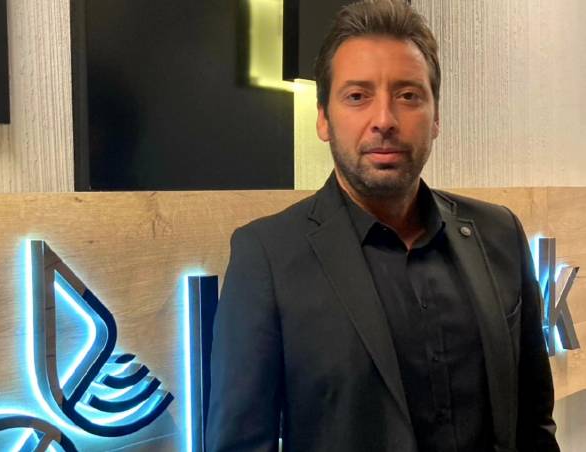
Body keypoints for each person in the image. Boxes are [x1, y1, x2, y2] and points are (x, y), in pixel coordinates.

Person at [205, 1, 559, 451]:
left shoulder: (499, 234)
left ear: (436, 117)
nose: (385, 120)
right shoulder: (267, 257)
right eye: (358, 96)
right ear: (323, 119)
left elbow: (534, 426)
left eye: (408, 95)